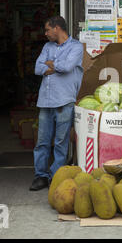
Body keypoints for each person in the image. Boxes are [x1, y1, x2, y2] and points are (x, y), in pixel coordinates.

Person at [29, 16, 84, 191]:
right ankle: (41, 176)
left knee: (61, 142)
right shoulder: (47, 47)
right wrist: (53, 67)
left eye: (47, 30)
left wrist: (52, 64)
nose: (45, 34)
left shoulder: (76, 47)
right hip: (45, 101)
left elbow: (68, 67)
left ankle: (57, 176)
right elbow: (38, 68)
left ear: (57, 28)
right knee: (42, 142)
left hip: (64, 100)